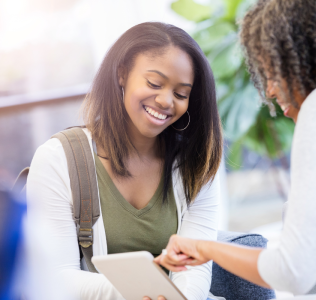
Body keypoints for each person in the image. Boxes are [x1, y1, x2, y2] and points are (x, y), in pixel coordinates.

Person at [154, 0, 316, 299]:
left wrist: (202, 247)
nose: (268, 89)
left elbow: (293, 273)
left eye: (272, 71)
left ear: (302, 56)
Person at [26, 22, 223, 300]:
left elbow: (195, 269)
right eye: (154, 83)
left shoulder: (196, 163)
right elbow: (57, 277)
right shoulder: (57, 159)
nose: (166, 101)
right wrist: (142, 293)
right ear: (122, 74)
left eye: (181, 94)